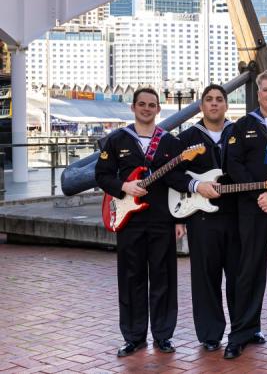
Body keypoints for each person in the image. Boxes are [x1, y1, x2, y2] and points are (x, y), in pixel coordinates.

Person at [95, 87, 188, 357]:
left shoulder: (170, 143)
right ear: (133, 107)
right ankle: (134, 337)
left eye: (152, 105)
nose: (147, 109)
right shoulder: (117, 140)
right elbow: (102, 175)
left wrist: (180, 219)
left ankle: (163, 335)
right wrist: (125, 186)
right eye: (142, 104)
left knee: (164, 278)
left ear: (159, 109)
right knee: (131, 278)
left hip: (162, 219)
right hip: (129, 220)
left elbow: (177, 182)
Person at [223, 70, 267, 359]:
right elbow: (234, 165)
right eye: (266, 90)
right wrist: (260, 195)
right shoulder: (242, 126)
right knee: (248, 271)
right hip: (251, 210)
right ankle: (242, 332)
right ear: (258, 93)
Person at [174, 85, 239, 353]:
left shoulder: (238, 133)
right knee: (205, 277)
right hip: (201, 217)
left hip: (236, 215)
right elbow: (172, 175)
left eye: (219, 100)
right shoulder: (187, 137)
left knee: (240, 276)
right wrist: (194, 186)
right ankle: (210, 334)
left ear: (226, 105)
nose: (214, 104)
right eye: (209, 100)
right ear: (201, 106)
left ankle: (244, 329)